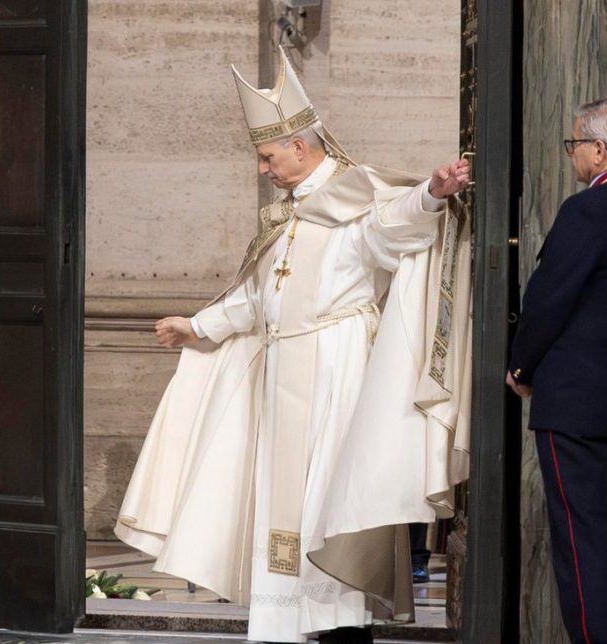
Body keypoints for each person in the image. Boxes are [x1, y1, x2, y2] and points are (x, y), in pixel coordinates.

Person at [114, 46, 473, 644]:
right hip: (285, 371)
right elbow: (256, 300)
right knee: (282, 505)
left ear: (301, 149)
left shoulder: (353, 201)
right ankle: (286, 619)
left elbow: (394, 227)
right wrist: (196, 326)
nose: (263, 169)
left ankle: (338, 620)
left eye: (267, 155)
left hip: (337, 371)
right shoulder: (285, 218)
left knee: (330, 502)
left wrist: (431, 194)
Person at [507, 96, 607, 644]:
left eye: (575, 145)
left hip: (577, 404)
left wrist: (521, 365)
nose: (572, 155)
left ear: (600, 150)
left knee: (584, 540)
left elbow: (549, 298)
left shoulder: (589, 209)